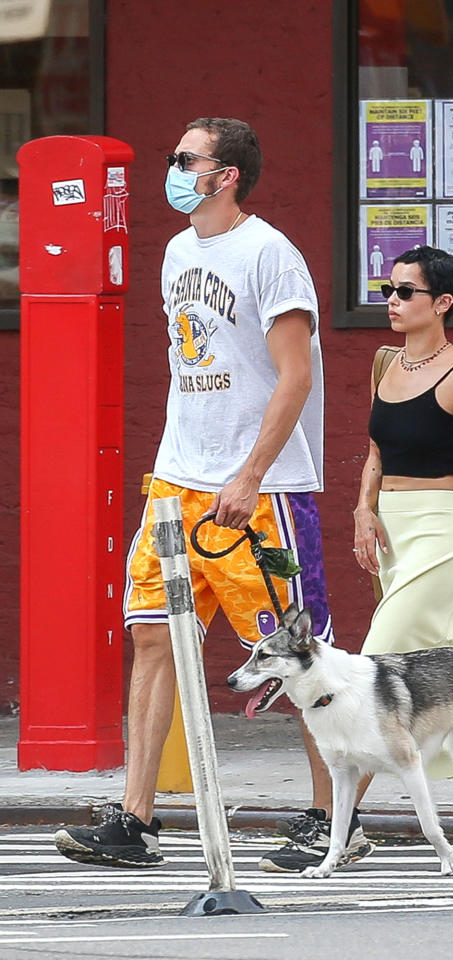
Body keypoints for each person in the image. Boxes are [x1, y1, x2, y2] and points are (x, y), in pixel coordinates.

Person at [53, 117, 370, 869]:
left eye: (183, 158)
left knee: (296, 656)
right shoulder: (173, 252)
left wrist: (251, 471)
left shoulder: (271, 255)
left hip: (260, 489)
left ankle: (337, 819)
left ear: (225, 174)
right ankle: (136, 820)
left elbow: (295, 375)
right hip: (178, 480)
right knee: (153, 635)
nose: (172, 167)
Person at [268, 245, 453, 864]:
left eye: (405, 293)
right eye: (388, 290)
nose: (391, 302)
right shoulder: (383, 363)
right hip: (392, 530)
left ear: (442, 303)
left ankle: (335, 828)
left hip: (441, 531)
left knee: (370, 666)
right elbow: (375, 450)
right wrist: (362, 510)